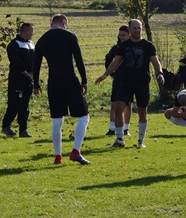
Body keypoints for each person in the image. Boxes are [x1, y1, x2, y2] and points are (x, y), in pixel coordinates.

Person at [95, 19, 165, 149]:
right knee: (118, 108)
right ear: (130, 30)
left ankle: (141, 140)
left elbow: (156, 62)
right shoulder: (123, 46)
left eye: (139, 28)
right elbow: (115, 63)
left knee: (142, 111)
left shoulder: (148, 46)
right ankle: (119, 139)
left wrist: (159, 73)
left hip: (142, 83)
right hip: (126, 82)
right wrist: (104, 75)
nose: (137, 30)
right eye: (134, 28)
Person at [33, 14, 90, 165]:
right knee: (84, 116)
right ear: (64, 22)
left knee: (57, 121)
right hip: (70, 79)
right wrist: (84, 80)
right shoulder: (70, 36)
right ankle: (76, 151)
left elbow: (36, 64)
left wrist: (36, 84)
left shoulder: (42, 39)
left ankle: (58, 156)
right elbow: (79, 59)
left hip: (53, 82)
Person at [1, 22, 35, 137]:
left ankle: (23, 129)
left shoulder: (31, 44)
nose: (32, 34)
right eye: (31, 31)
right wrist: (24, 71)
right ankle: (6, 126)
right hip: (17, 79)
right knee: (15, 104)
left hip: (29, 80)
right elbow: (15, 61)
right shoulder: (14, 44)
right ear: (26, 31)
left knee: (25, 106)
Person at [104, 25, 132, 136]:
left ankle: (126, 129)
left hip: (129, 80)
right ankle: (112, 128)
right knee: (114, 104)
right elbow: (108, 59)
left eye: (123, 35)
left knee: (128, 105)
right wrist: (111, 73)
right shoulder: (116, 48)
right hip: (118, 80)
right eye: (119, 35)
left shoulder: (132, 48)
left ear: (129, 35)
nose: (121, 37)